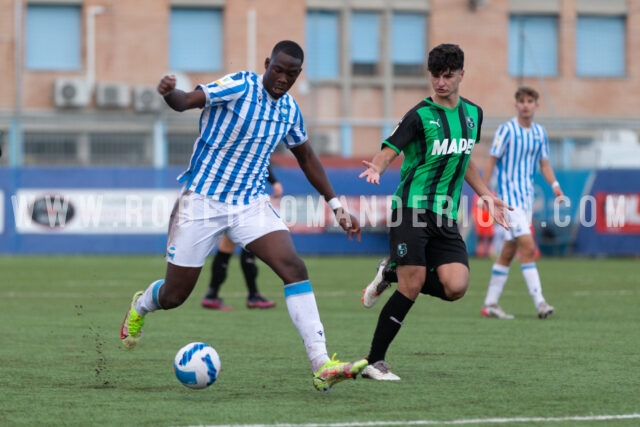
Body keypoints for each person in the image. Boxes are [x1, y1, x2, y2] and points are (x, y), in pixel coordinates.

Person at [119, 40, 367, 391]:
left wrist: (337, 206)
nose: (282, 78)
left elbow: (307, 158)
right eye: (278, 70)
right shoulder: (239, 86)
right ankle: (142, 305)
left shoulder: (290, 111)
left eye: (291, 74)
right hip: (202, 201)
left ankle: (321, 364)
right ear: (267, 63)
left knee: (293, 267)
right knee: (174, 296)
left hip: (249, 203)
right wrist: (168, 94)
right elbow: (186, 101)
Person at [358, 44, 512, 380]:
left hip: (446, 215)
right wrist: (378, 167)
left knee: (456, 286)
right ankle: (374, 361)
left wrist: (486, 194)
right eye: (435, 76)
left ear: (461, 75)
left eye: (448, 76)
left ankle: (389, 273)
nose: (440, 82)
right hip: (410, 209)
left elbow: (464, 157)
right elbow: (391, 147)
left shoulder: (474, 114)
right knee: (411, 285)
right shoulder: (420, 115)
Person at [479, 86, 563, 320]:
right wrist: (484, 194)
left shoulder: (539, 133)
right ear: (516, 105)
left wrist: (555, 186)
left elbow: (544, 163)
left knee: (508, 251)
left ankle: (490, 303)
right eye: (522, 101)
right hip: (508, 201)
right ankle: (540, 302)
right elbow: (491, 161)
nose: (525, 105)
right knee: (527, 246)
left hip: (525, 200)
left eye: (530, 101)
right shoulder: (506, 130)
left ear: (537, 105)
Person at [201, 166, 283, 310]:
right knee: (250, 242)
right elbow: (260, 162)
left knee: (226, 247)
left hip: (222, 198)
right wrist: (275, 182)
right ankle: (253, 296)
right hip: (240, 200)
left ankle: (212, 295)